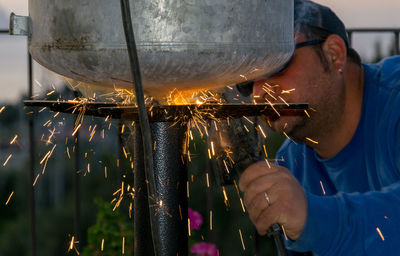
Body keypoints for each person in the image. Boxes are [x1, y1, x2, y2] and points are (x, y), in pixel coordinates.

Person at [239, 0, 400, 255]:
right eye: (246, 78)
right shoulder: (290, 164)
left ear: (333, 54)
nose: (260, 91)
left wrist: (312, 218)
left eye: (277, 62)